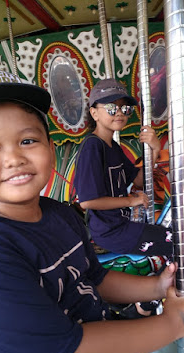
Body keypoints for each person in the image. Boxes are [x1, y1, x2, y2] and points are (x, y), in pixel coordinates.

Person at [0, 67, 184, 353]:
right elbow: (63, 352)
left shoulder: (58, 215)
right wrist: (175, 323)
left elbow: (93, 278)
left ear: (50, 149)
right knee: (166, 240)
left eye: (28, 140)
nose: (13, 158)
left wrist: (157, 285)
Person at [74, 78, 173, 256]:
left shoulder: (114, 147)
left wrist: (155, 149)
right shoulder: (92, 146)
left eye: (125, 109)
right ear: (94, 113)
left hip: (121, 224)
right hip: (110, 231)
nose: (119, 113)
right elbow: (88, 201)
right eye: (112, 108)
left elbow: (140, 180)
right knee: (174, 242)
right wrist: (130, 201)